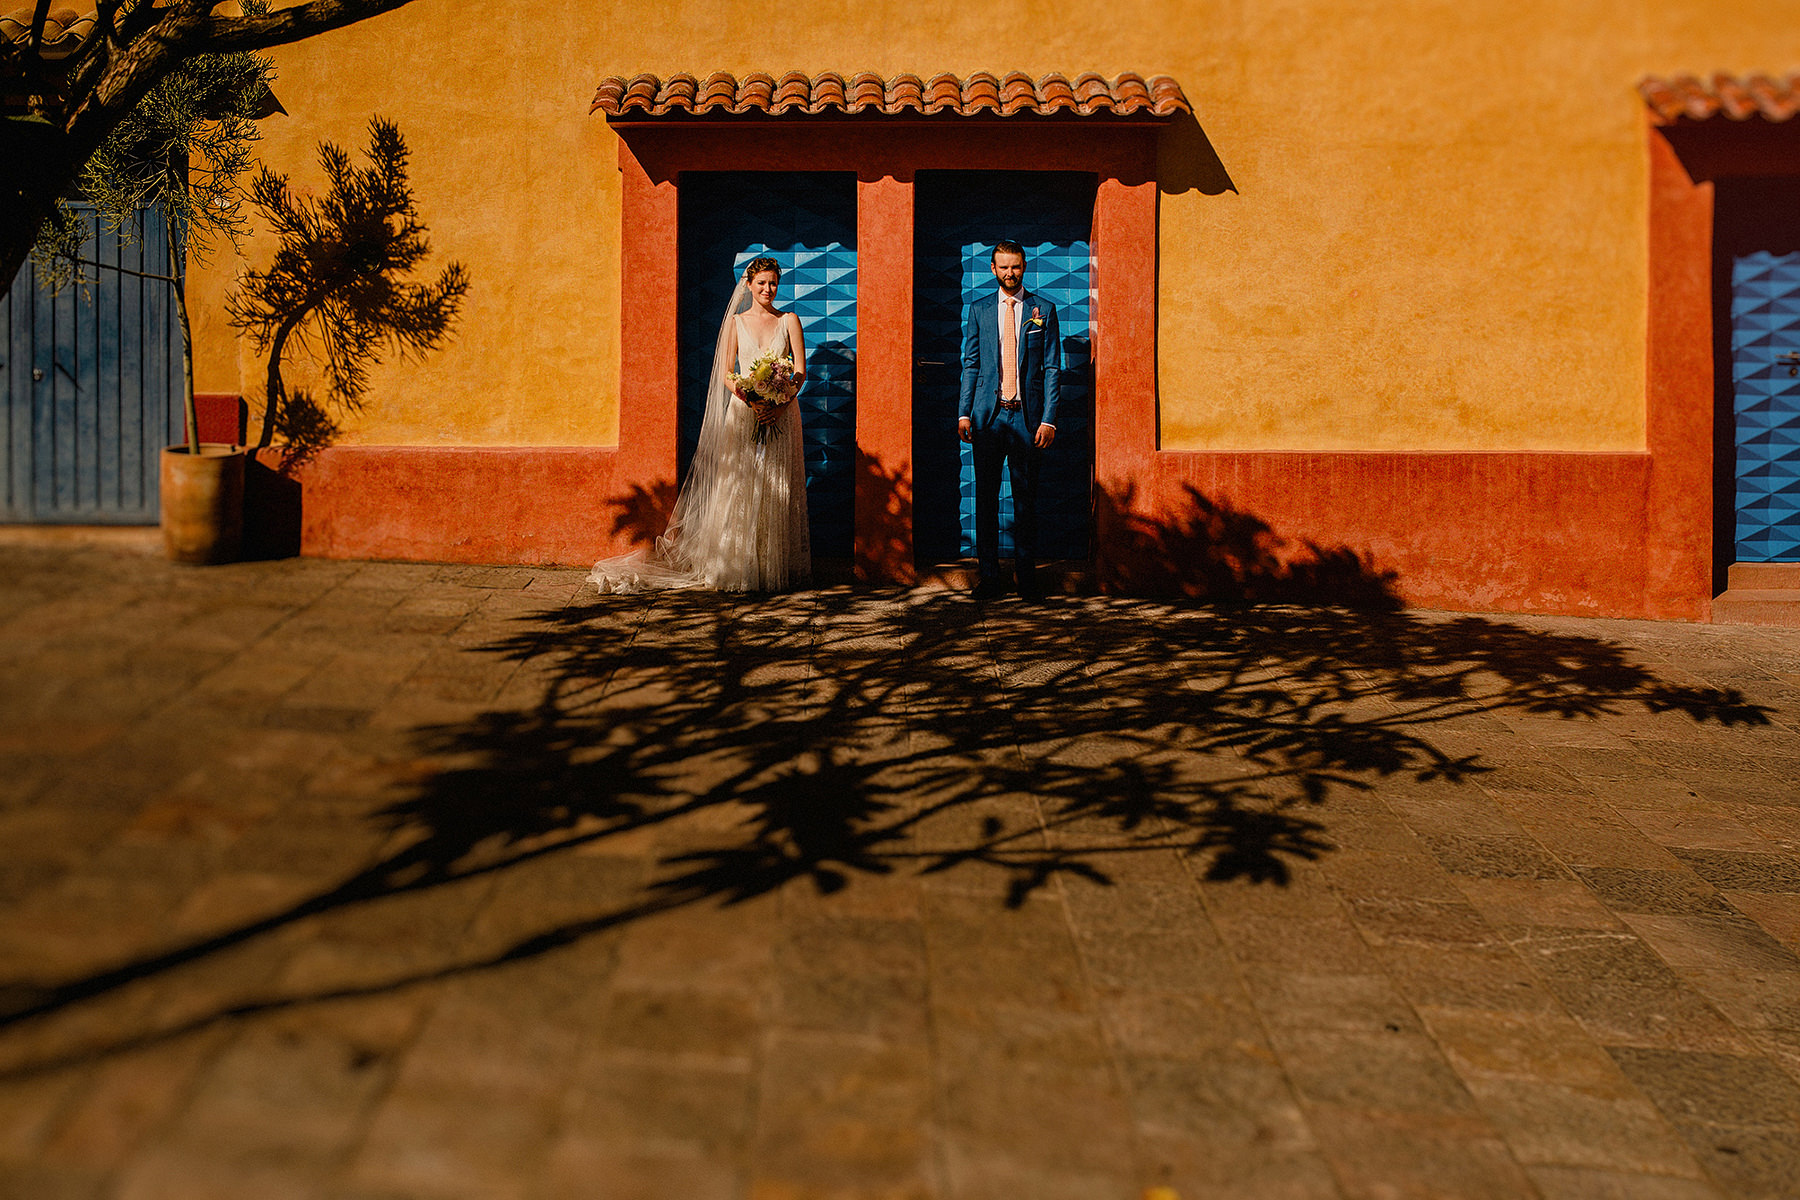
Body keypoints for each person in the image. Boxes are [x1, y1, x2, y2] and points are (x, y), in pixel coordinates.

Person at [590, 257, 811, 592]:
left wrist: (780, 406)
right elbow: (725, 372)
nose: (768, 290)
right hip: (744, 411)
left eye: (773, 283)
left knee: (775, 487)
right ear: (749, 285)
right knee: (741, 487)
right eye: (762, 283)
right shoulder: (736, 323)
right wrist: (752, 400)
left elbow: (799, 372)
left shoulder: (789, 320)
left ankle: (770, 567)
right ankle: (739, 567)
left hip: (781, 414)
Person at [959, 240, 1061, 602]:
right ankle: (989, 577)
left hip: (1027, 420)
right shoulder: (979, 309)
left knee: (1025, 502)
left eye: (1015, 266)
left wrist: (1048, 420)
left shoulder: (1043, 310)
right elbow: (971, 364)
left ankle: (1026, 579)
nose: (1009, 273)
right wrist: (964, 411)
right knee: (985, 500)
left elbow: (1052, 368)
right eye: (1003, 267)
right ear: (992, 269)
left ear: (1024, 266)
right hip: (988, 418)